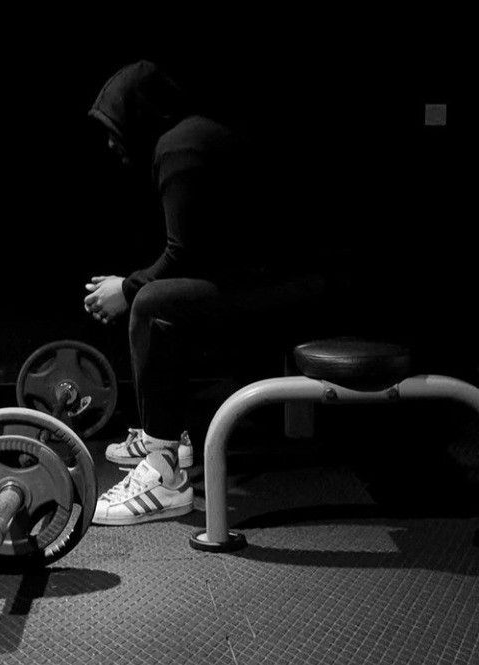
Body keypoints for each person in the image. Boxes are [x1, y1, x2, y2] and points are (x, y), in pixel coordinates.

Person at [84, 60, 334, 526]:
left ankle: (163, 475)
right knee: (162, 299)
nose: (111, 142)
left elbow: (183, 257)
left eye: (113, 126)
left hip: (300, 289)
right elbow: (205, 251)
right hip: (270, 277)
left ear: (139, 114)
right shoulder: (184, 138)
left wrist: (127, 286)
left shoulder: (180, 148)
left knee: (153, 303)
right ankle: (165, 435)